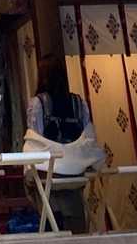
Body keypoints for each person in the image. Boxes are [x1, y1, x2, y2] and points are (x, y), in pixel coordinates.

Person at [24, 55, 103, 234]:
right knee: (69, 188)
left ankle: (52, 221)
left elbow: (35, 139)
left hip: (50, 171)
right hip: (76, 170)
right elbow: (88, 134)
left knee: (36, 177)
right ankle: (75, 224)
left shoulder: (38, 104)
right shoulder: (79, 103)